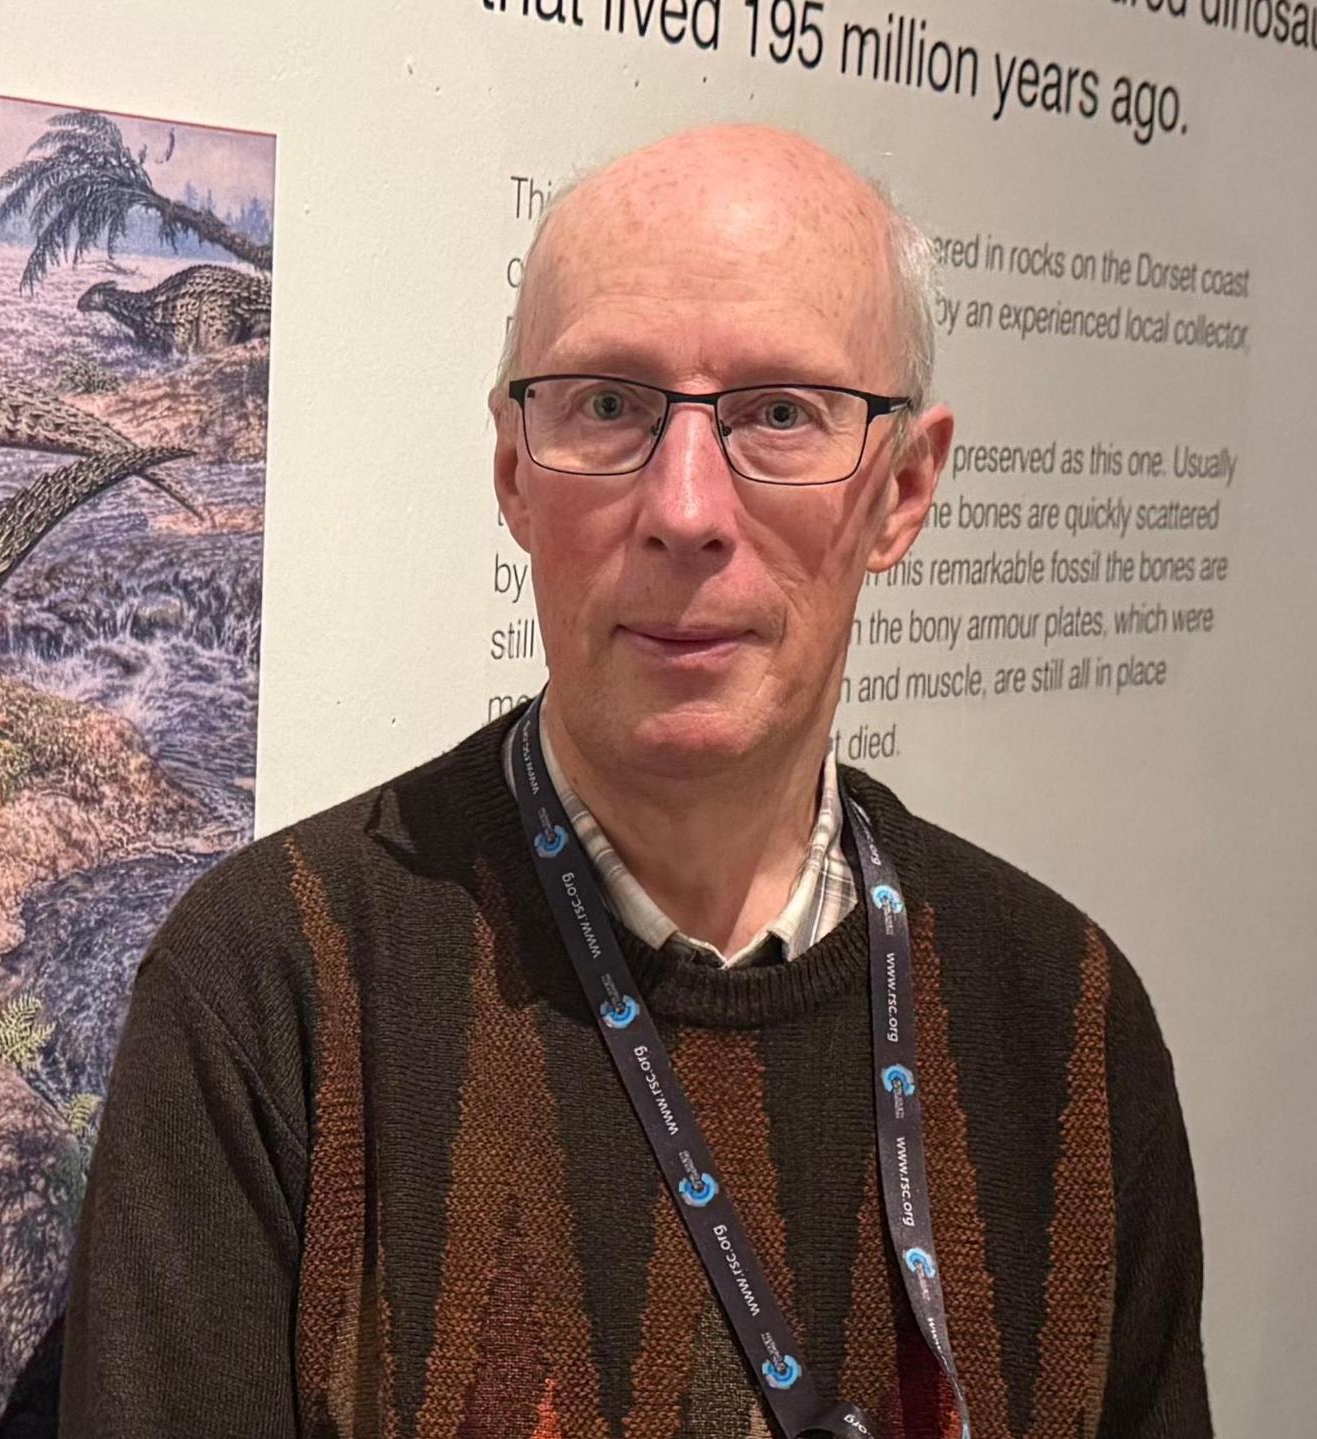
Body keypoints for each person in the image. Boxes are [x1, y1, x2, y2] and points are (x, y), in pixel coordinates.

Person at [60, 124, 1209, 1437]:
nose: (686, 508)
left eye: (781, 412)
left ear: (904, 489)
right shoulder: (273, 991)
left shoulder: (1061, 1013)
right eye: (610, 405)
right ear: (514, 475)